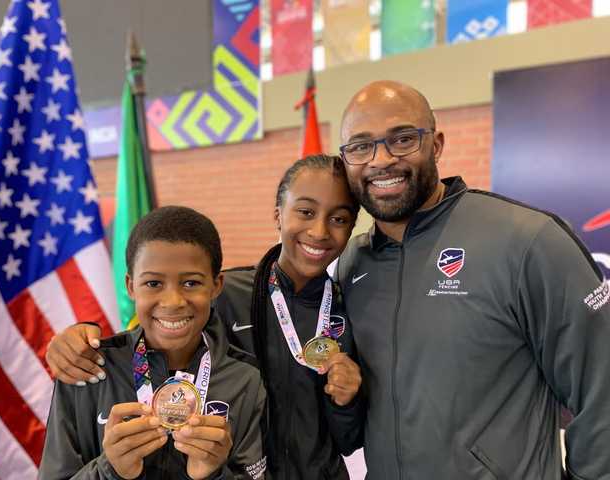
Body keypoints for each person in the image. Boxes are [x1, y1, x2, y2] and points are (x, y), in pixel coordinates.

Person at [335, 80, 610, 479]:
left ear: (437, 145)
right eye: (360, 146)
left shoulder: (527, 241)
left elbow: (601, 389)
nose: (380, 160)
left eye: (402, 139)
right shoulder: (352, 265)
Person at [45, 155, 365, 479]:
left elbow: (349, 439)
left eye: (339, 219)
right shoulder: (227, 293)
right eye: (306, 212)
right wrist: (79, 335)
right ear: (278, 215)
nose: (319, 230)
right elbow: (146, 332)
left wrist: (347, 401)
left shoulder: (349, 309)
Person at [40, 206, 267, 480]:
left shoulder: (245, 380)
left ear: (217, 285)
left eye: (191, 283)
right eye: (153, 284)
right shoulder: (87, 369)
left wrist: (214, 475)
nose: (173, 301)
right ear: (131, 286)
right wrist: (110, 470)